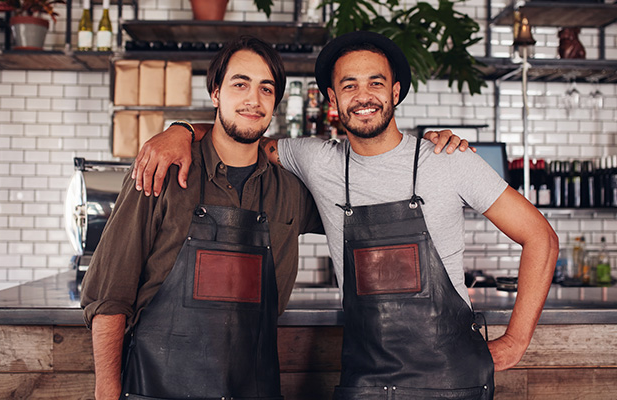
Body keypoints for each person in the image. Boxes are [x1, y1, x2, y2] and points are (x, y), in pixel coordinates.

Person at [133, 32, 558, 399]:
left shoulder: (447, 159)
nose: (364, 96)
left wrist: (516, 340)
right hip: (364, 383)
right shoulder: (314, 159)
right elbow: (243, 133)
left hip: (452, 380)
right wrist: (182, 130)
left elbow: (541, 237)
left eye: (376, 82)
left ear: (395, 92)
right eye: (349, 85)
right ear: (333, 99)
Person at [80, 36, 326, 400]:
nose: (252, 100)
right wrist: (107, 393)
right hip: (156, 387)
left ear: (275, 103)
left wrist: (433, 151)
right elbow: (109, 295)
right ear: (215, 93)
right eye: (239, 84)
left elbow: (366, 191)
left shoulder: (290, 190)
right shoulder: (160, 171)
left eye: (266, 89)